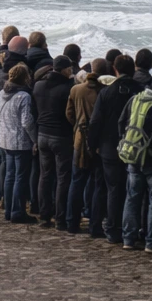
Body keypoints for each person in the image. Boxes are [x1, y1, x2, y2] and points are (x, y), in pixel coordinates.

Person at [89, 54, 142, 245]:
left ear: (115, 70)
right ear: (133, 69)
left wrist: (92, 145)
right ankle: (131, 228)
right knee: (132, 190)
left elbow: (95, 122)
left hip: (108, 147)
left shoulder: (106, 92)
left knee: (110, 188)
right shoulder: (140, 91)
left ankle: (111, 228)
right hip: (134, 146)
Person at [119, 78, 152, 252]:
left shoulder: (134, 99)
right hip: (151, 160)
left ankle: (128, 239)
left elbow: (121, 123)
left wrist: (126, 144)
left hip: (132, 154)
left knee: (132, 198)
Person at [32, 55, 75, 228]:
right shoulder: (67, 89)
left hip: (42, 134)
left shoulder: (38, 86)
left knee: (45, 176)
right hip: (61, 136)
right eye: (70, 69)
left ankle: (44, 215)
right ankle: (60, 218)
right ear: (64, 70)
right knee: (63, 177)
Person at [68, 58, 107, 235]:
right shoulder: (103, 92)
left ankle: (72, 222)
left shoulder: (76, 89)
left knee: (77, 181)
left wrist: (77, 126)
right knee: (97, 183)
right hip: (98, 142)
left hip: (79, 139)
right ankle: (95, 225)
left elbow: (69, 114)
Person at [0, 63, 37, 223]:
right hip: (20, 141)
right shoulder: (24, 96)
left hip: (5, 138)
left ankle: (8, 210)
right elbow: (27, 121)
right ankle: (18, 211)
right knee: (20, 177)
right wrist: (35, 139)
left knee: (9, 175)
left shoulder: (1, 93)